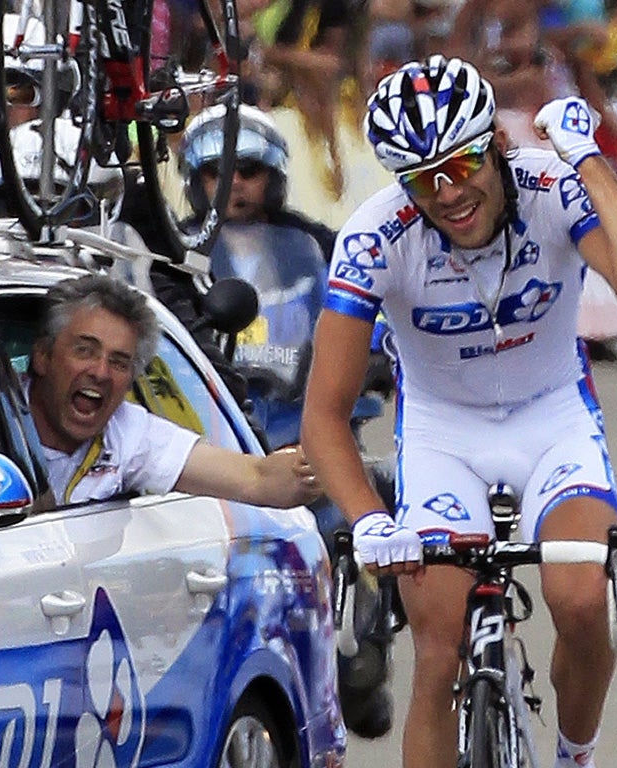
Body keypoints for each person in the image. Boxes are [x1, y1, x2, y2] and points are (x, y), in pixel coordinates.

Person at [300, 54, 617, 768]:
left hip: (552, 419)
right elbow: (323, 415)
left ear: (496, 143)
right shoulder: (374, 238)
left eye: (462, 163)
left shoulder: (551, 186)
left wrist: (590, 162)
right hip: (444, 435)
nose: (448, 192)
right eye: (422, 179)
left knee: (579, 599)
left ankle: (574, 754)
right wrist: (369, 519)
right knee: (438, 653)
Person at [173, 103, 397, 739]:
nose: (232, 184)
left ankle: (369, 634)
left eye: (246, 169)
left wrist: (377, 356)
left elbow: (365, 315)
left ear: (272, 176)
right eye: (215, 172)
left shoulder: (325, 244)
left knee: (363, 512)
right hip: (224, 435)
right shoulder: (176, 251)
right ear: (193, 180)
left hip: (309, 426)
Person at [26, 273, 321, 508]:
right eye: (84, 351)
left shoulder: (127, 431)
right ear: (42, 356)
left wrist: (316, 467)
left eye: (119, 362)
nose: (100, 372)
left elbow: (256, 478)